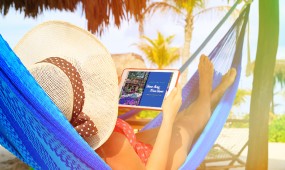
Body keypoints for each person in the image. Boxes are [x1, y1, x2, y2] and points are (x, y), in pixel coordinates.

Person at [15, 21, 237, 170]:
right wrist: (167, 117)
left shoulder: (59, 135)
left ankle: (203, 101)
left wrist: (114, 103)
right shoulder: (105, 144)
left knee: (181, 117)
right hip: (154, 161)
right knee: (184, 124)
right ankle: (209, 95)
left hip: (136, 146)